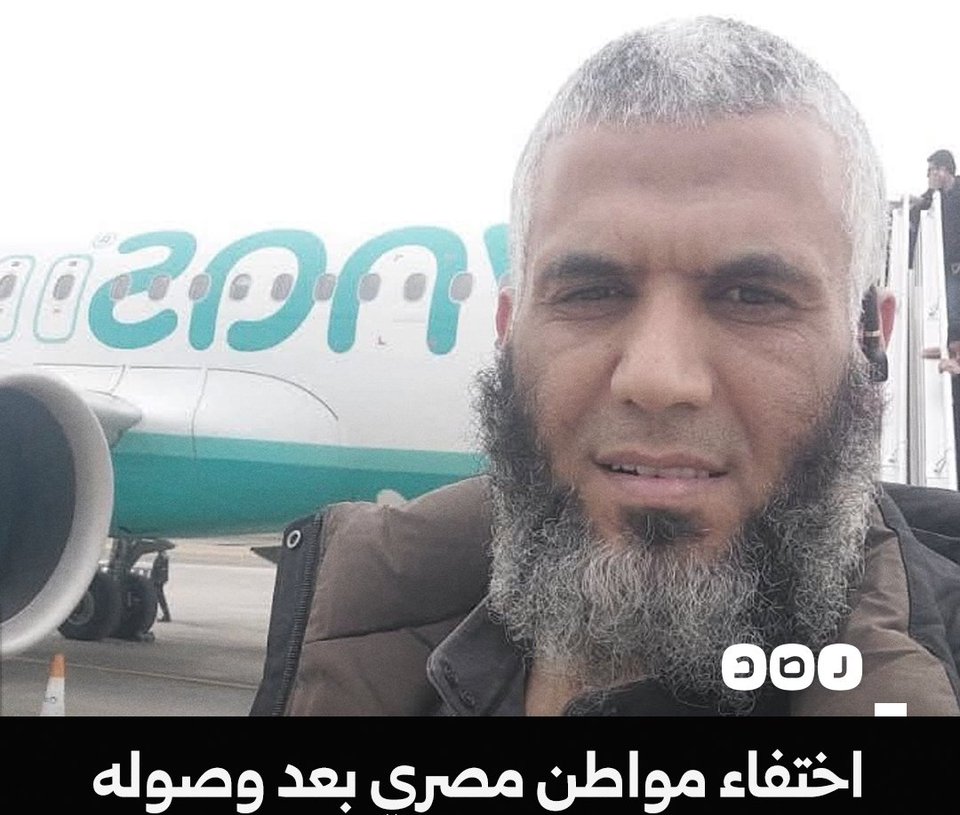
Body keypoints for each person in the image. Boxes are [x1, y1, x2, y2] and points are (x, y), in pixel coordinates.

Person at [252, 16, 960, 718]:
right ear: (507, 331)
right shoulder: (346, 644)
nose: (656, 379)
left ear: (870, 337)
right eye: (591, 293)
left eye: (752, 297)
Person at [910, 149, 960, 358]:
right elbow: (919, 208)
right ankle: (952, 348)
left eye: (931, 170)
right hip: (948, 264)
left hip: (956, 262)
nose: (928, 175)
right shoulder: (935, 197)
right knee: (949, 307)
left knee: (954, 306)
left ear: (943, 170)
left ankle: (956, 352)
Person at [151, 550, 171, 622]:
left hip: (158, 581)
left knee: (160, 598)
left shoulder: (162, 558)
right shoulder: (163, 558)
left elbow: (160, 570)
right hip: (158, 580)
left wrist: (157, 580)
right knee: (160, 598)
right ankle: (166, 615)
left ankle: (166, 615)